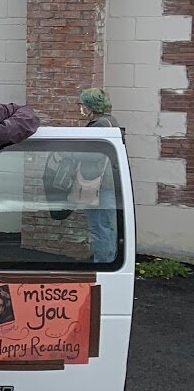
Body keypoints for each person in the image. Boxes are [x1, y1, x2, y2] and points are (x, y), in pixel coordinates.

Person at [77, 87, 122, 262]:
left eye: (83, 105)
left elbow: (92, 153)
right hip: (103, 184)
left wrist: (72, 154)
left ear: (91, 106)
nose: (81, 108)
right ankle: (103, 259)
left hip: (101, 185)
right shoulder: (108, 121)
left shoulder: (102, 124)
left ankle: (103, 264)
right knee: (102, 226)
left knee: (100, 226)